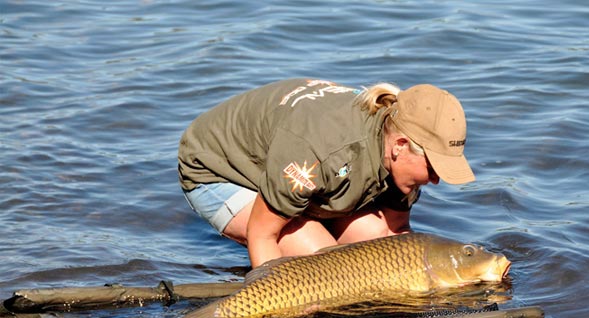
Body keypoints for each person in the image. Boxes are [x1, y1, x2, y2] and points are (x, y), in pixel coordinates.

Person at [178, 78, 475, 268]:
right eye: (434, 167)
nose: (436, 180)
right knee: (327, 265)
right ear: (399, 146)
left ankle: (302, 209)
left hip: (299, 167)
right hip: (218, 170)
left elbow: (395, 235)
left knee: (375, 237)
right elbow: (262, 235)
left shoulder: (401, 146)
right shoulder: (323, 151)